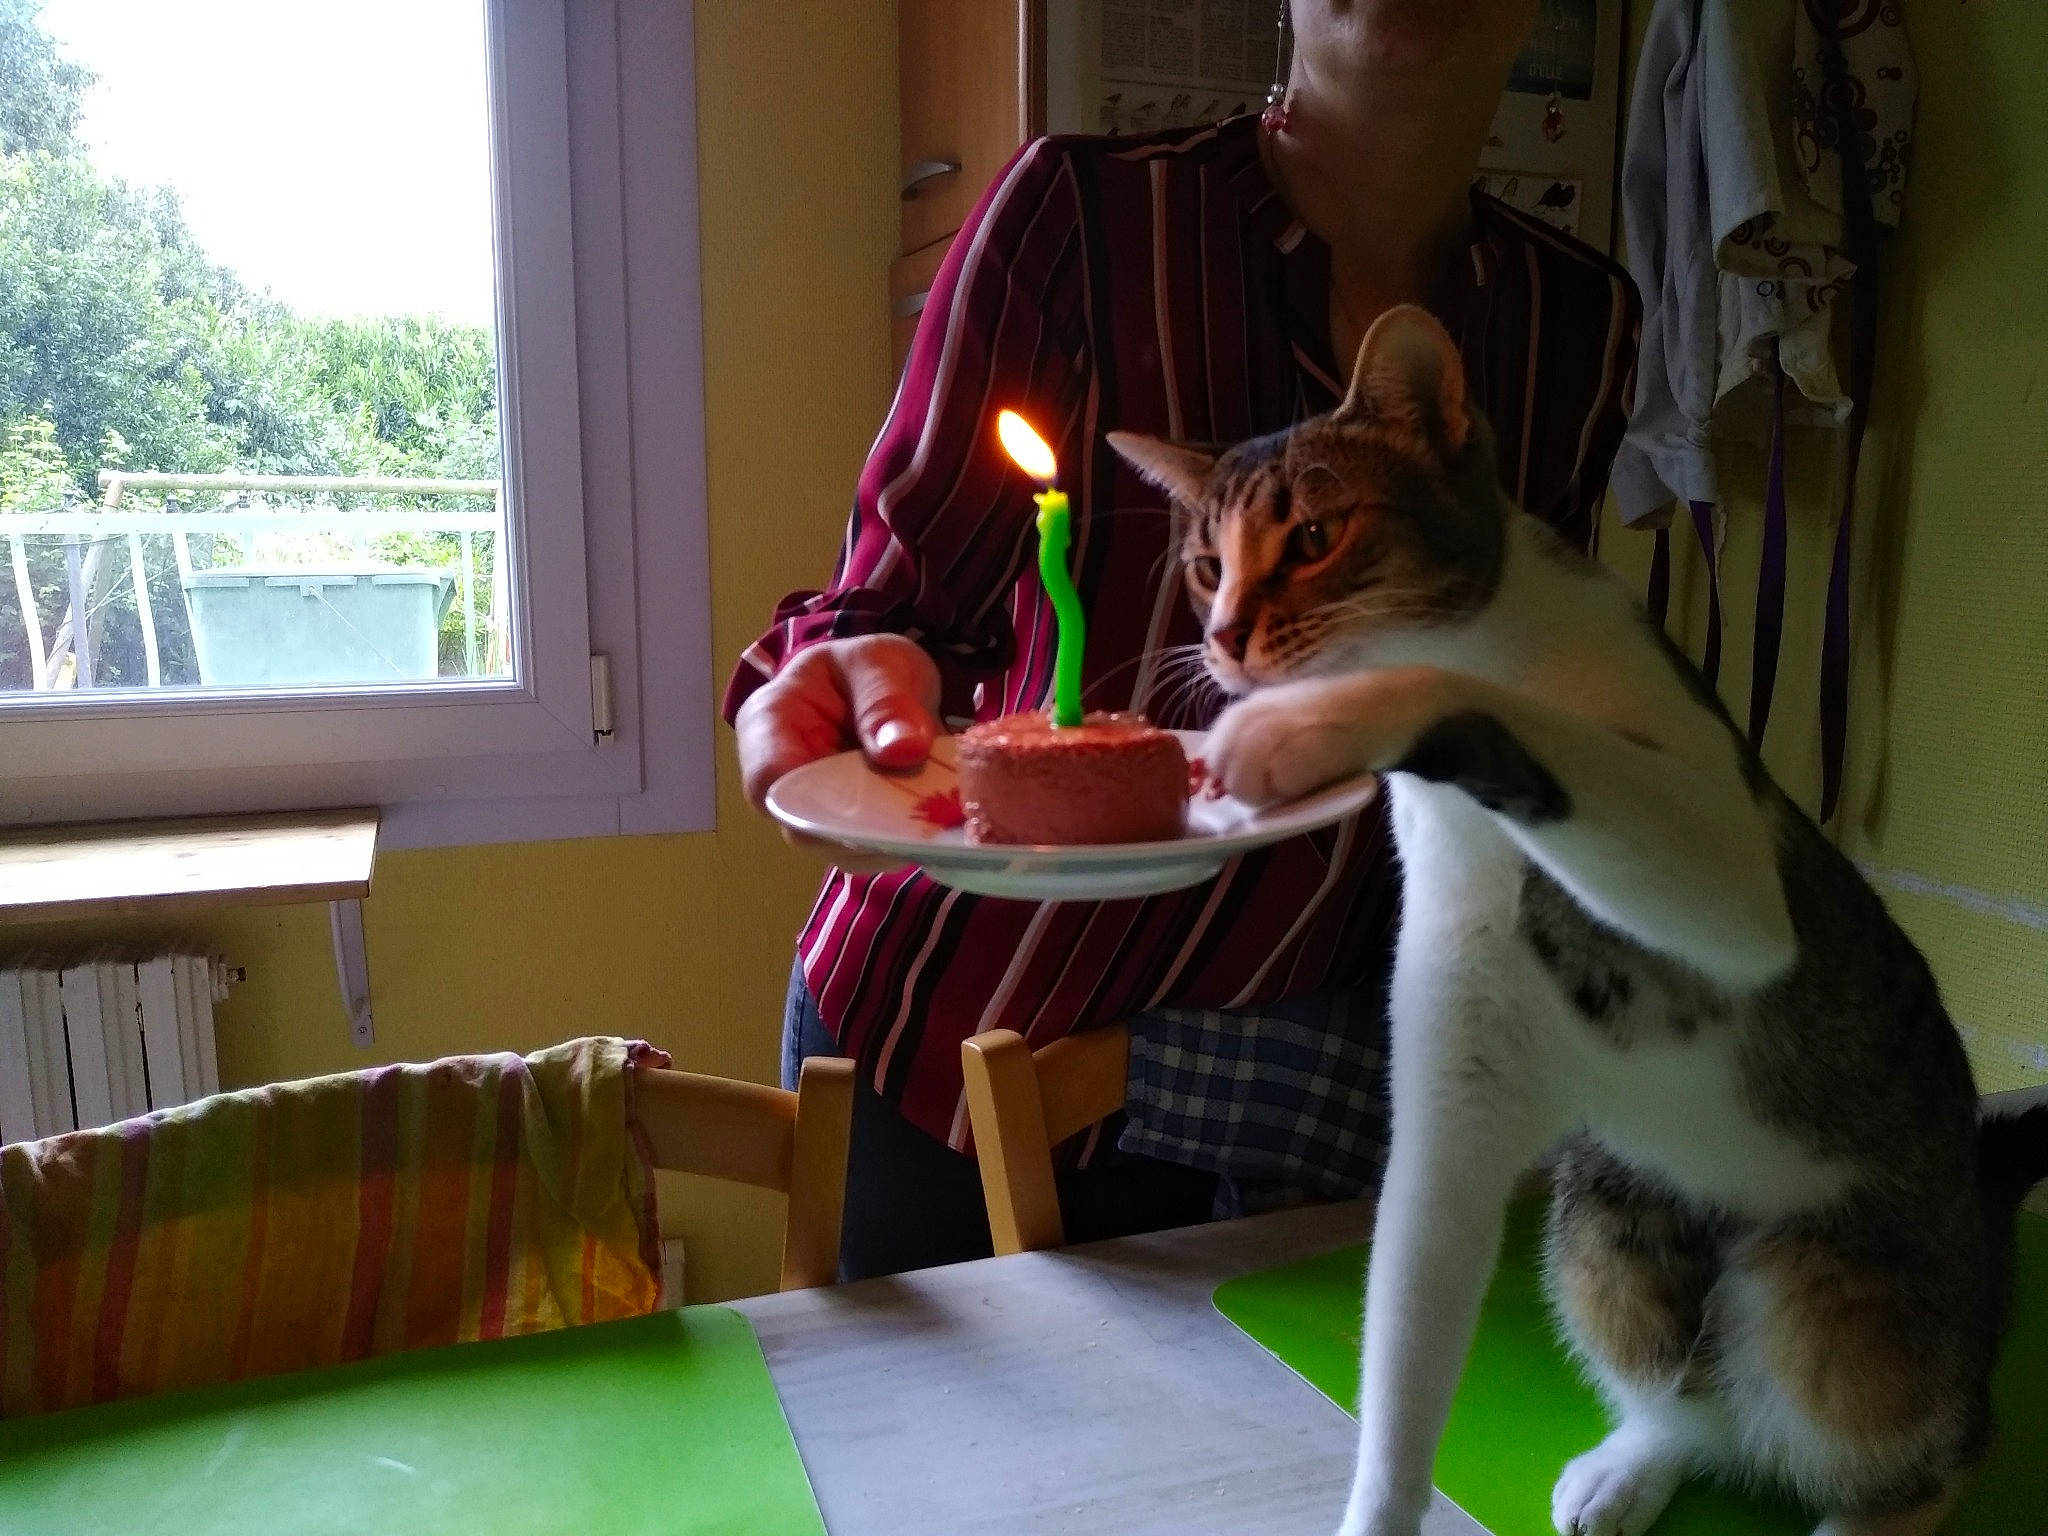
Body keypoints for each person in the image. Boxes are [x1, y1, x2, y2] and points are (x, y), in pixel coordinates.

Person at [730, 0, 1640, 1280]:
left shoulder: (1573, 327)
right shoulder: (1079, 220)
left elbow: (1505, 718)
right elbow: (888, 602)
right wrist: (828, 673)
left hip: (1282, 1096)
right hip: (948, 1050)